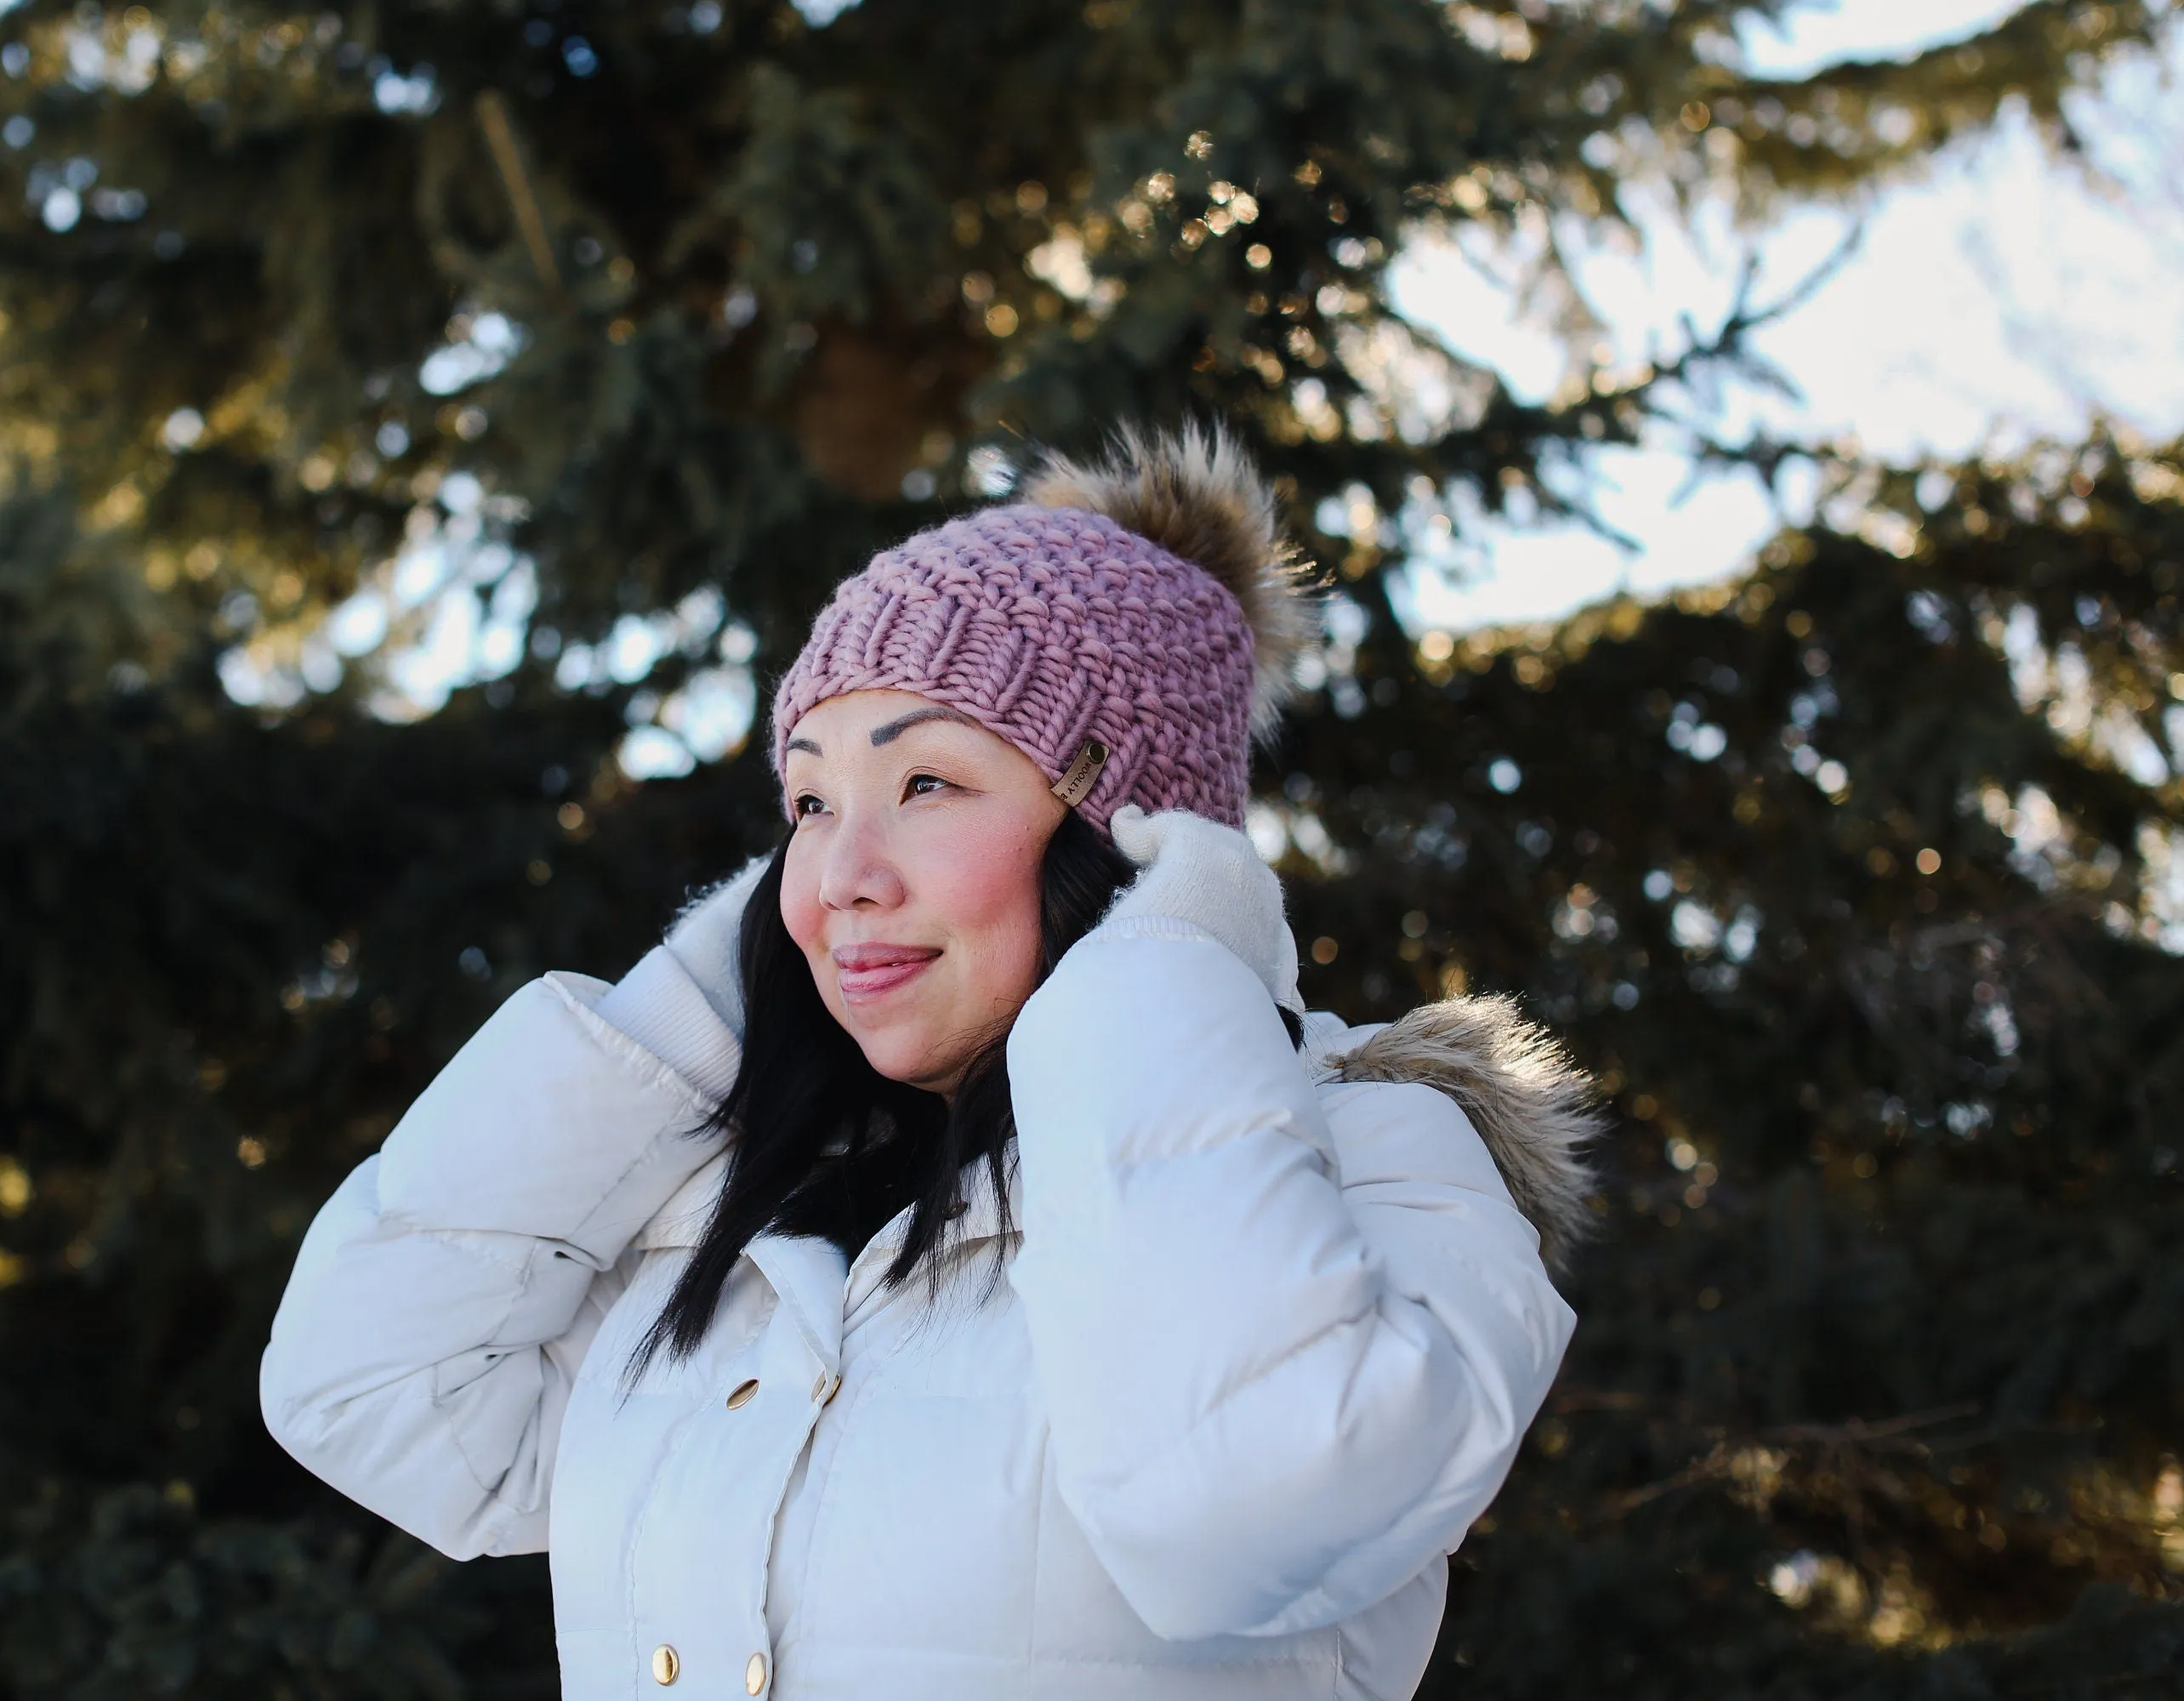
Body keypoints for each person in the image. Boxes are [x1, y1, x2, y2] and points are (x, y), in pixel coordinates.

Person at [260, 423, 1600, 1699]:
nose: (837, 874)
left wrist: (1161, 962)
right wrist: (715, 989)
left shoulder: (1377, 1160)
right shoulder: (740, 1237)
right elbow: (363, 1390)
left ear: (1128, 833)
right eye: (808, 802)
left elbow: (1243, 1513)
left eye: (926, 786)